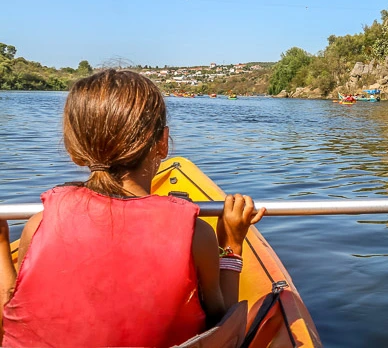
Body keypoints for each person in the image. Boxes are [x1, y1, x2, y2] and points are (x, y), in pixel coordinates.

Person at [0, 69, 265, 347]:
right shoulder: (195, 236)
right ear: (163, 143)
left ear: (73, 150)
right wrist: (231, 243)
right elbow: (224, 331)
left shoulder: (37, 226)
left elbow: (16, 310)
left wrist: (3, 243)